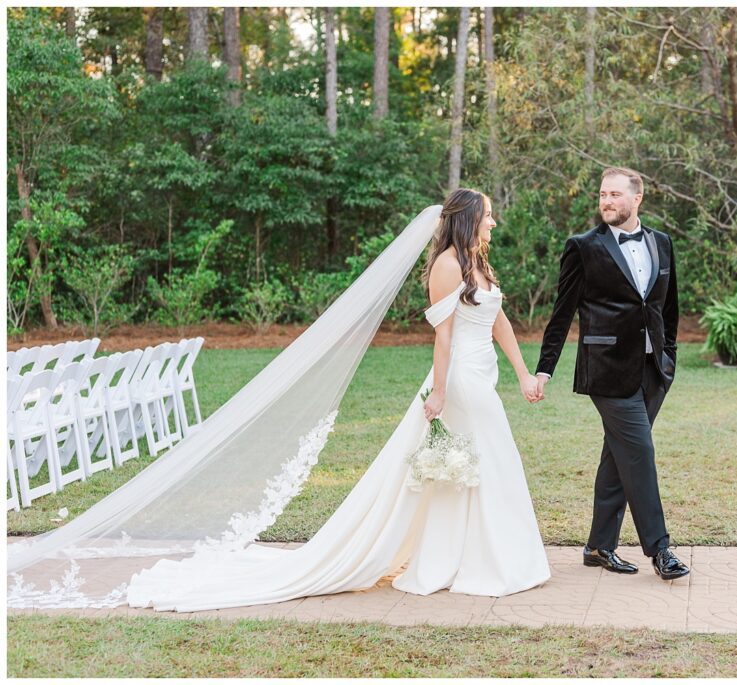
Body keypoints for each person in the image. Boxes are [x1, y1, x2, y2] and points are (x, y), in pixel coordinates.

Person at [124, 189, 551, 611]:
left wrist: (522, 374)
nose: (493, 222)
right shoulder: (447, 265)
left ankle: (472, 555)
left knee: (479, 462)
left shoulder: (478, 263)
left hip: (482, 372)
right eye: (488, 215)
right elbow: (443, 338)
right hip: (460, 378)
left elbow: (500, 322)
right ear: (468, 218)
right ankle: (487, 560)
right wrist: (439, 391)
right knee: (489, 457)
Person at [534, 167, 690, 581]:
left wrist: (668, 358)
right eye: (603, 194)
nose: (607, 201)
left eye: (615, 195)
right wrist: (544, 370)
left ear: (637, 198)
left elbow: (667, 308)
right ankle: (661, 550)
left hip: (652, 370)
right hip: (606, 371)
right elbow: (562, 313)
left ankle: (599, 546)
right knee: (639, 453)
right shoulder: (583, 247)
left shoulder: (662, 243)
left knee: (619, 456)